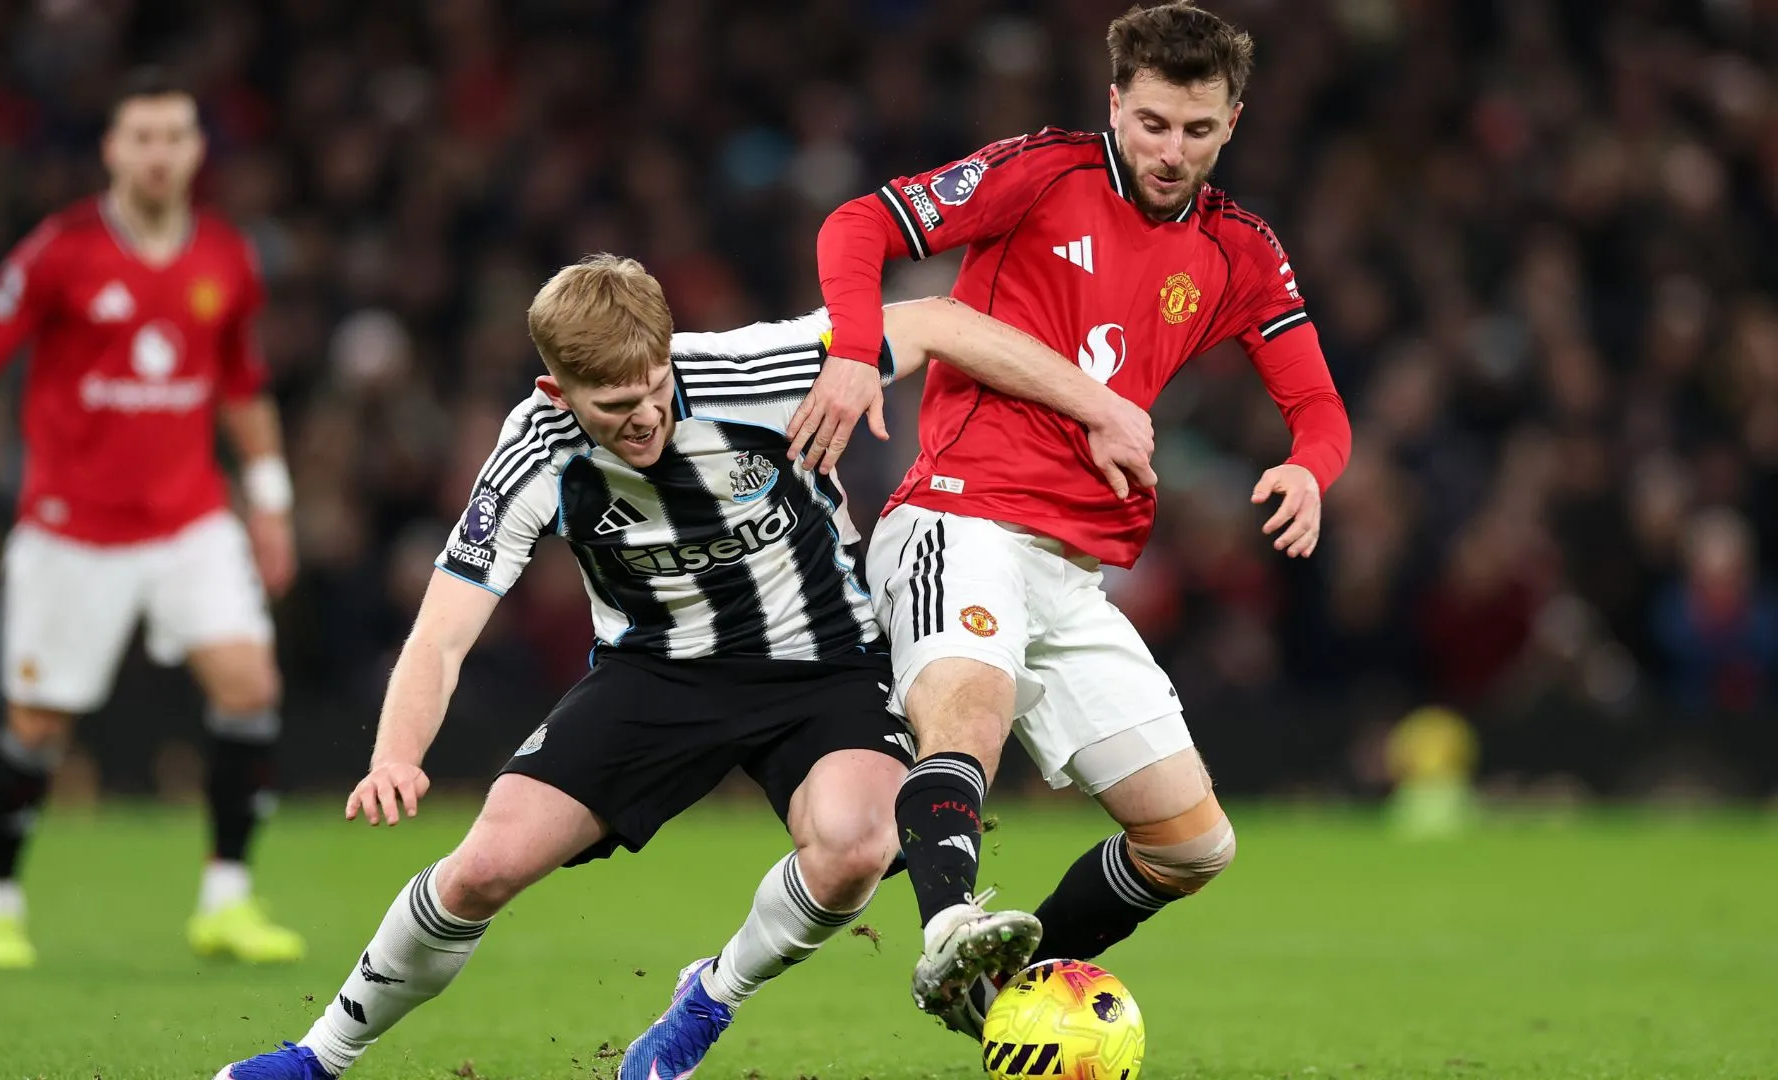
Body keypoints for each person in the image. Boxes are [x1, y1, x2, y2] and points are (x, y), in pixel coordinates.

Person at [213, 255, 1152, 1080]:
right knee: (481, 871)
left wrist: (1102, 409)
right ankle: (316, 1058)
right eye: (615, 406)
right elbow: (444, 631)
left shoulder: (756, 367)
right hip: (655, 674)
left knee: (858, 846)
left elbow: (942, 322)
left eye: (656, 387)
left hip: (826, 665)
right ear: (557, 393)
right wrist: (396, 754)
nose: (647, 416)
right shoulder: (533, 449)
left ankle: (707, 1000)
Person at [792, 0, 1354, 1033]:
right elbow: (859, 222)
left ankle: (1000, 986)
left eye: (1195, 129)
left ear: (1233, 121)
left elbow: (1316, 406)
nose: (1170, 151)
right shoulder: (1040, 172)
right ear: (1114, 103)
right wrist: (848, 348)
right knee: (969, 716)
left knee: (1192, 846)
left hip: (1073, 568)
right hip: (960, 518)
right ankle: (949, 925)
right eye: (1150, 123)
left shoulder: (1238, 249)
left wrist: (1312, 470)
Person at [0, 69, 303, 968]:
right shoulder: (60, 253)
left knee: (250, 685)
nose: (159, 154)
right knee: (38, 725)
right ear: (112, 150)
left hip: (190, 519)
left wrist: (270, 504)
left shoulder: (226, 259)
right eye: (142, 138)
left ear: (197, 150)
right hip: (70, 530)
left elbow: (243, 385)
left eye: (175, 136)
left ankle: (226, 903)